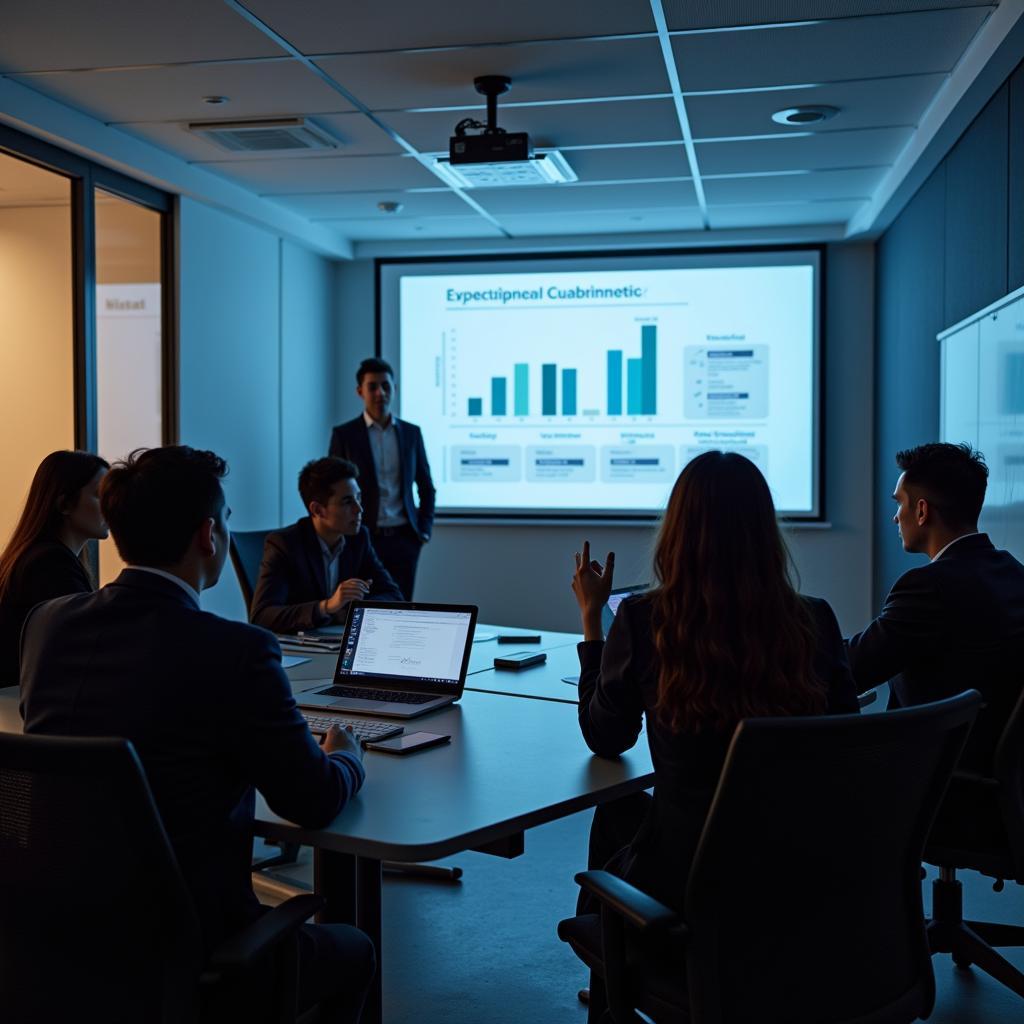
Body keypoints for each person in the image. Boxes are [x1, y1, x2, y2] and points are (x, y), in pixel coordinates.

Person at [19, 446, 375, 1023]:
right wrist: (348, 757)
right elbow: (311, 801)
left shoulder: (47, 624)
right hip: (192, 949)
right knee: (354, 950)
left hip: (60, 936)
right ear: (209, 535)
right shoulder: (236, 651)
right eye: (229, 519)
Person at [569, 452, 859, 941]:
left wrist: (592, 621)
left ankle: (617, 995)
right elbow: (847, 743)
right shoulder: (816, 620)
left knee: (615, 811)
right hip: (797, 872)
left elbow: (606, 736)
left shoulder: (645, 620)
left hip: (686, 884)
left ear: (676, 532)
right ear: (766, 533)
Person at [846, 442, 1024, 775]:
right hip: (987, 780)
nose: (895, 516)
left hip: (929, 780)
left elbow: (854, 668)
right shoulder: (1013, 572)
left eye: (900, 503)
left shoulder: (928, 588)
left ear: (923, 511)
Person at [250, 456, 402, 635]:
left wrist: (354, 608)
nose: (359, 509)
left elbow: (393, 595)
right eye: (347, 501)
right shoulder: (284, 544)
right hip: (298, 648)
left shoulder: (359, 538)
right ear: (317, 510)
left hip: (338, 642)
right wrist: (327, 607)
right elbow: (262, 617)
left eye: (358, 498)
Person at [328, 356, 435, 600]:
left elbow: (426, 487)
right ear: (360, 391)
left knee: (402, 606)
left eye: (386, 386)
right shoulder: (345, 435)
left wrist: (423, 531)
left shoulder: (411, 433)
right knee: (362, 607)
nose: (380, 393)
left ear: (394, 389)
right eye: (373, 386)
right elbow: (332, 489)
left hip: (404, 538)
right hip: (362, 536)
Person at [0, 450, 109, 687]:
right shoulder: (50, 565)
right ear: (64, 504)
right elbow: (83, 648)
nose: (110, 505)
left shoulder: (37, 557)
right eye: (100, 495)